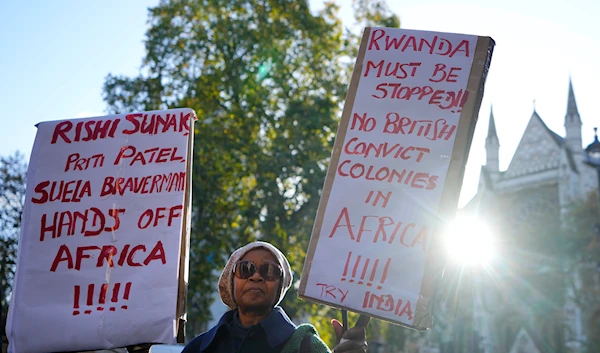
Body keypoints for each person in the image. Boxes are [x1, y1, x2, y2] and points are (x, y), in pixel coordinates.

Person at [182, 241, 368, 353]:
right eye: (246, 269)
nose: (256, 276)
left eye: (269, 271)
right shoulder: (199, 348)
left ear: (280, 286)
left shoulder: (306, 346)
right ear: (231, 281)